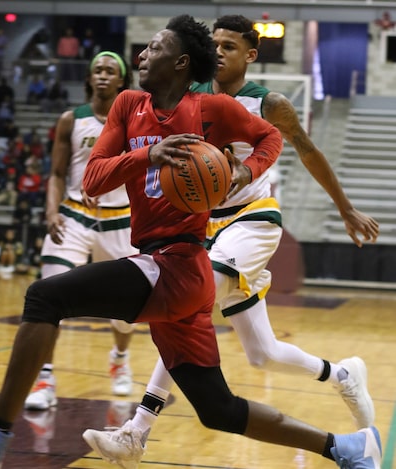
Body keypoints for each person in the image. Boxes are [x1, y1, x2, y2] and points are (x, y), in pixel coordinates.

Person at [0, 15, 381, 469]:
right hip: (170, 266)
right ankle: (346, 447)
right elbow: (93, 178)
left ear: (181, 62)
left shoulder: (212, 109)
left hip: (180, 262)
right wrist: (148, 154)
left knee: (44, 296)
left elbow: (271, 138)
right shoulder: (128, 105)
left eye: (154, 48)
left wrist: (244, 170)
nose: (141, 55)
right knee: (219, 410)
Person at [98, 15, 382, 468]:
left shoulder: (267, 103)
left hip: (254, 221)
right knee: (262, 354)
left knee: (186, 304)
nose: (222, 52)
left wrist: (345, 208)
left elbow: (307, 150)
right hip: (205, 229)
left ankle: (137, 429)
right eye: (216, 45)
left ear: (251, 55)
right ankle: (343, 374)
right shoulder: (189, 101)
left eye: (231, 46)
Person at [24, 50, 139, 411]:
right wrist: (51, 210)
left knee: (127, 310)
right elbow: (57, 174)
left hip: (121, 220)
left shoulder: (135, 121)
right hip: (73, 216)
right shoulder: (71, 120)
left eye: (110, 71)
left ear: (122, 80)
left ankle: (119, 361)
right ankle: (44, 377)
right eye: (97, 70)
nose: (103, 75)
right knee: (48, 294)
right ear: (89, 78)